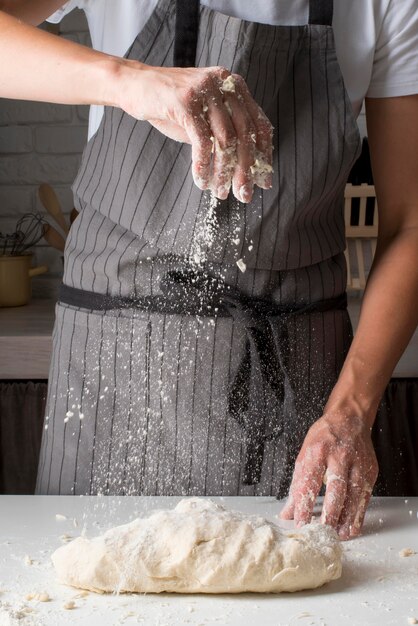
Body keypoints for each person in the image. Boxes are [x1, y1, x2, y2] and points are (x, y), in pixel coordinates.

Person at [1, 0, 417, 540]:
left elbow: (410, 223)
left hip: (297, 379)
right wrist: (126, 79)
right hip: (115, 357)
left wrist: (351, 411)